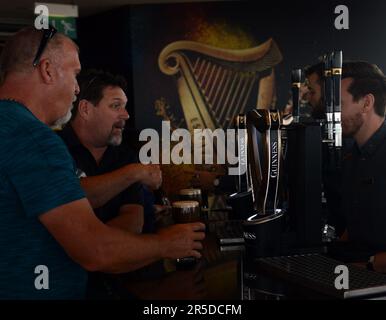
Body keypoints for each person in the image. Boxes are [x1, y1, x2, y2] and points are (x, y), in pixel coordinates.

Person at [0, 26, 205, 299]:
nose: (76, 88)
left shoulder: (10, 127)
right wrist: (166, 244)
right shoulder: (35, 139)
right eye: (74, 74)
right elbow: (96, 251)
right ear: (47, 70)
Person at [58, 69, 160, 234]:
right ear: (85, 109)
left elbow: (133, 222)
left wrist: (89, 245)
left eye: (124, 106)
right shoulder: (54, 148)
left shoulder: (125, 156)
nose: (126, 115)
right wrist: (134, 173)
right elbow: (69, 195)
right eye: (116, 106)